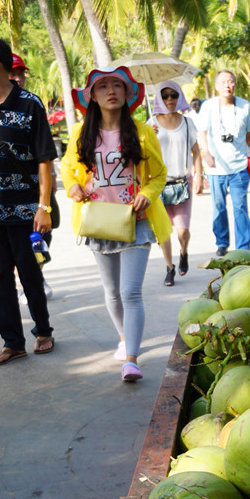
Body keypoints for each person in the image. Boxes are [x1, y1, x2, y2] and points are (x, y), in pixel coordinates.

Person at [61, 65, 171, 382]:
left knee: (130, 291)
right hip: (99, 221)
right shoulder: (82, 134)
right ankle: (124, 339)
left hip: (135, 222)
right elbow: (68, 169)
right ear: (92, 97)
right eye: (103, 86)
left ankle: (132, 360)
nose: (111, 91)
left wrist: (148, 194)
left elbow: (159, 174)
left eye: (117, 86)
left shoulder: (142, 132)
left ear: (127, 94)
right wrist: (72, 187)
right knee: (111, 291)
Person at [0, 36, 56, 365]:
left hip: (27, 212)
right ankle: (12, 341)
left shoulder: (30, 104)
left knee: (31, 274)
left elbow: (45, 159)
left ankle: (43, 330)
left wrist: (43, 207)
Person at [149, 81, 202, 286]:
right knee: (163, 230)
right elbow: (143, 154)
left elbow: (196, 152)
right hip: (159, 184)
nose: (170, 99)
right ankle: (169, 267)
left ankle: (183, 252)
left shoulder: (187, 123)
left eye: (173, 95)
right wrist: (148, 137)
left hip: (182, 182)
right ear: (159, 99)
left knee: (182, 230)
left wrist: (198, 176)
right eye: (165, 96)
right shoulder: (150, 123)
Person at [197, 70, 250, 256]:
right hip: (216, 168)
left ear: (235, 85)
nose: (227, 85)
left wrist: (239, 148)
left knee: (240, 207)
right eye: (223, 82)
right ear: (216, 86)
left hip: (238, 167)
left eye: (230, 81)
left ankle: (243, 247)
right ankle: (222, 243)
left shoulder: (245, 106)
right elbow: (202, 132)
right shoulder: (208, 107)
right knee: (219, 207)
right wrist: (206, 153)